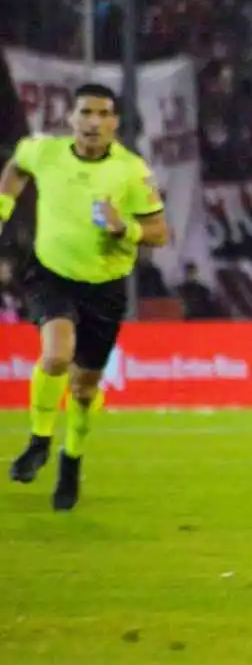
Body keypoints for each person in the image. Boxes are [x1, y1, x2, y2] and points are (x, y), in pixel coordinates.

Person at [1, 84, 169, 510]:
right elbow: (16, 168)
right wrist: (2, 208)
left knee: (83, 388)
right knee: (57, 354)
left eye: (103, 114)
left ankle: (71, 460)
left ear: (115, 122)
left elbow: (159, 232)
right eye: (86, 113)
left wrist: (124, 228)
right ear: (71, 118)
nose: (94, 122)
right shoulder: (44, 152)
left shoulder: (131, 171)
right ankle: (39, 441)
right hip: (52, 274)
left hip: (104, 286)